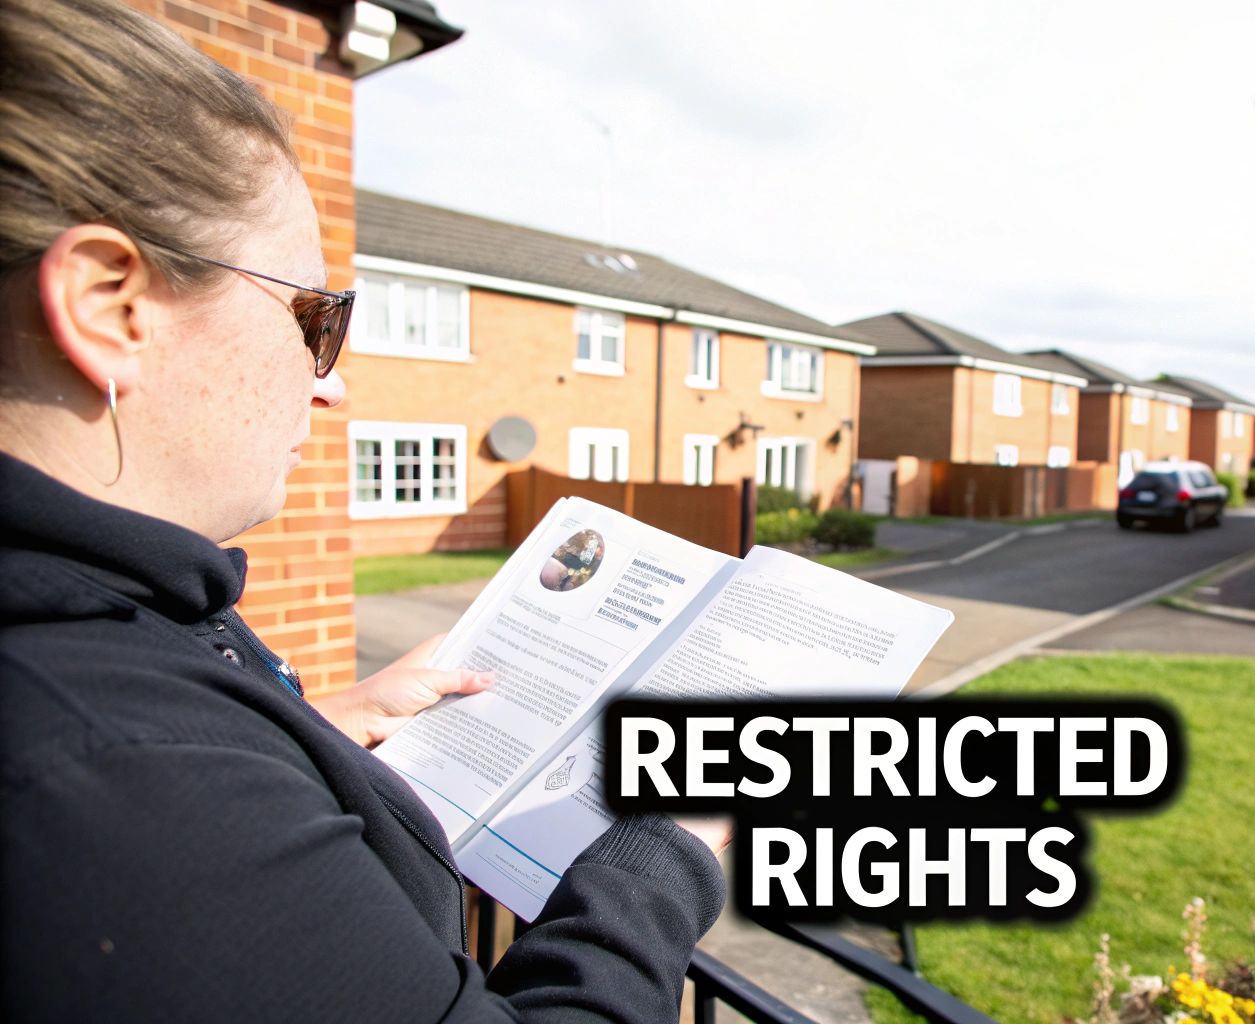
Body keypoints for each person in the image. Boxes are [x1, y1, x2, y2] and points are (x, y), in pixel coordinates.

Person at [0, 0, 726, 1019]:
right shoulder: (117, 775)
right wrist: (668, 844)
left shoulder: (110, 637)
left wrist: (308, 738)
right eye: (315, 318)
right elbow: (154, 804)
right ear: (111, 303)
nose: (331, 384)